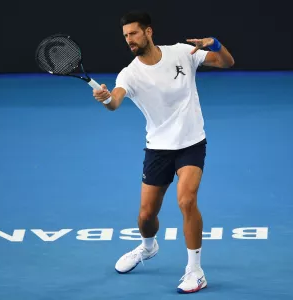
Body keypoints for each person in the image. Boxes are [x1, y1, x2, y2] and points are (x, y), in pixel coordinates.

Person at [93, 11, 234, 294]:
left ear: (148, 32)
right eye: (125, 36)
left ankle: (195, 270)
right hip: (158, 148)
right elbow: (115, 102)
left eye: (133, 33)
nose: (129, 40)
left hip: (192, 143)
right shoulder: (129, 74)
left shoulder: (182, 53)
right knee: (146, 216)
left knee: (187, 200)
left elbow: (227, 62)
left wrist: (214, 44)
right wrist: (106, 98)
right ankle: (148, 247)